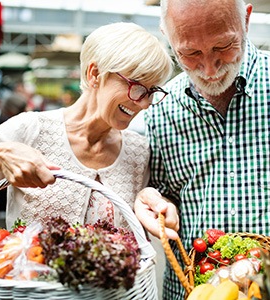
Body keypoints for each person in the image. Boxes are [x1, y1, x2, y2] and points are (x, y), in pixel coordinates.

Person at [0, 22, 173, 231]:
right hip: (27, 264)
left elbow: (148, 210)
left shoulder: (139, 152)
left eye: (151, 91)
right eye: (137, 87)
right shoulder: (31, 129)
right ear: (94, 74)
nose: (144, 103)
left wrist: (150, 199)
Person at [133, 0, 270, 299]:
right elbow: (161, 191)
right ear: (166, 35)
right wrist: (153, 200)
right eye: (190, 52)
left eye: (223, 45)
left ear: (246, 20)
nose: (209, 68)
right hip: (192, 291)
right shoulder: (159, 112)